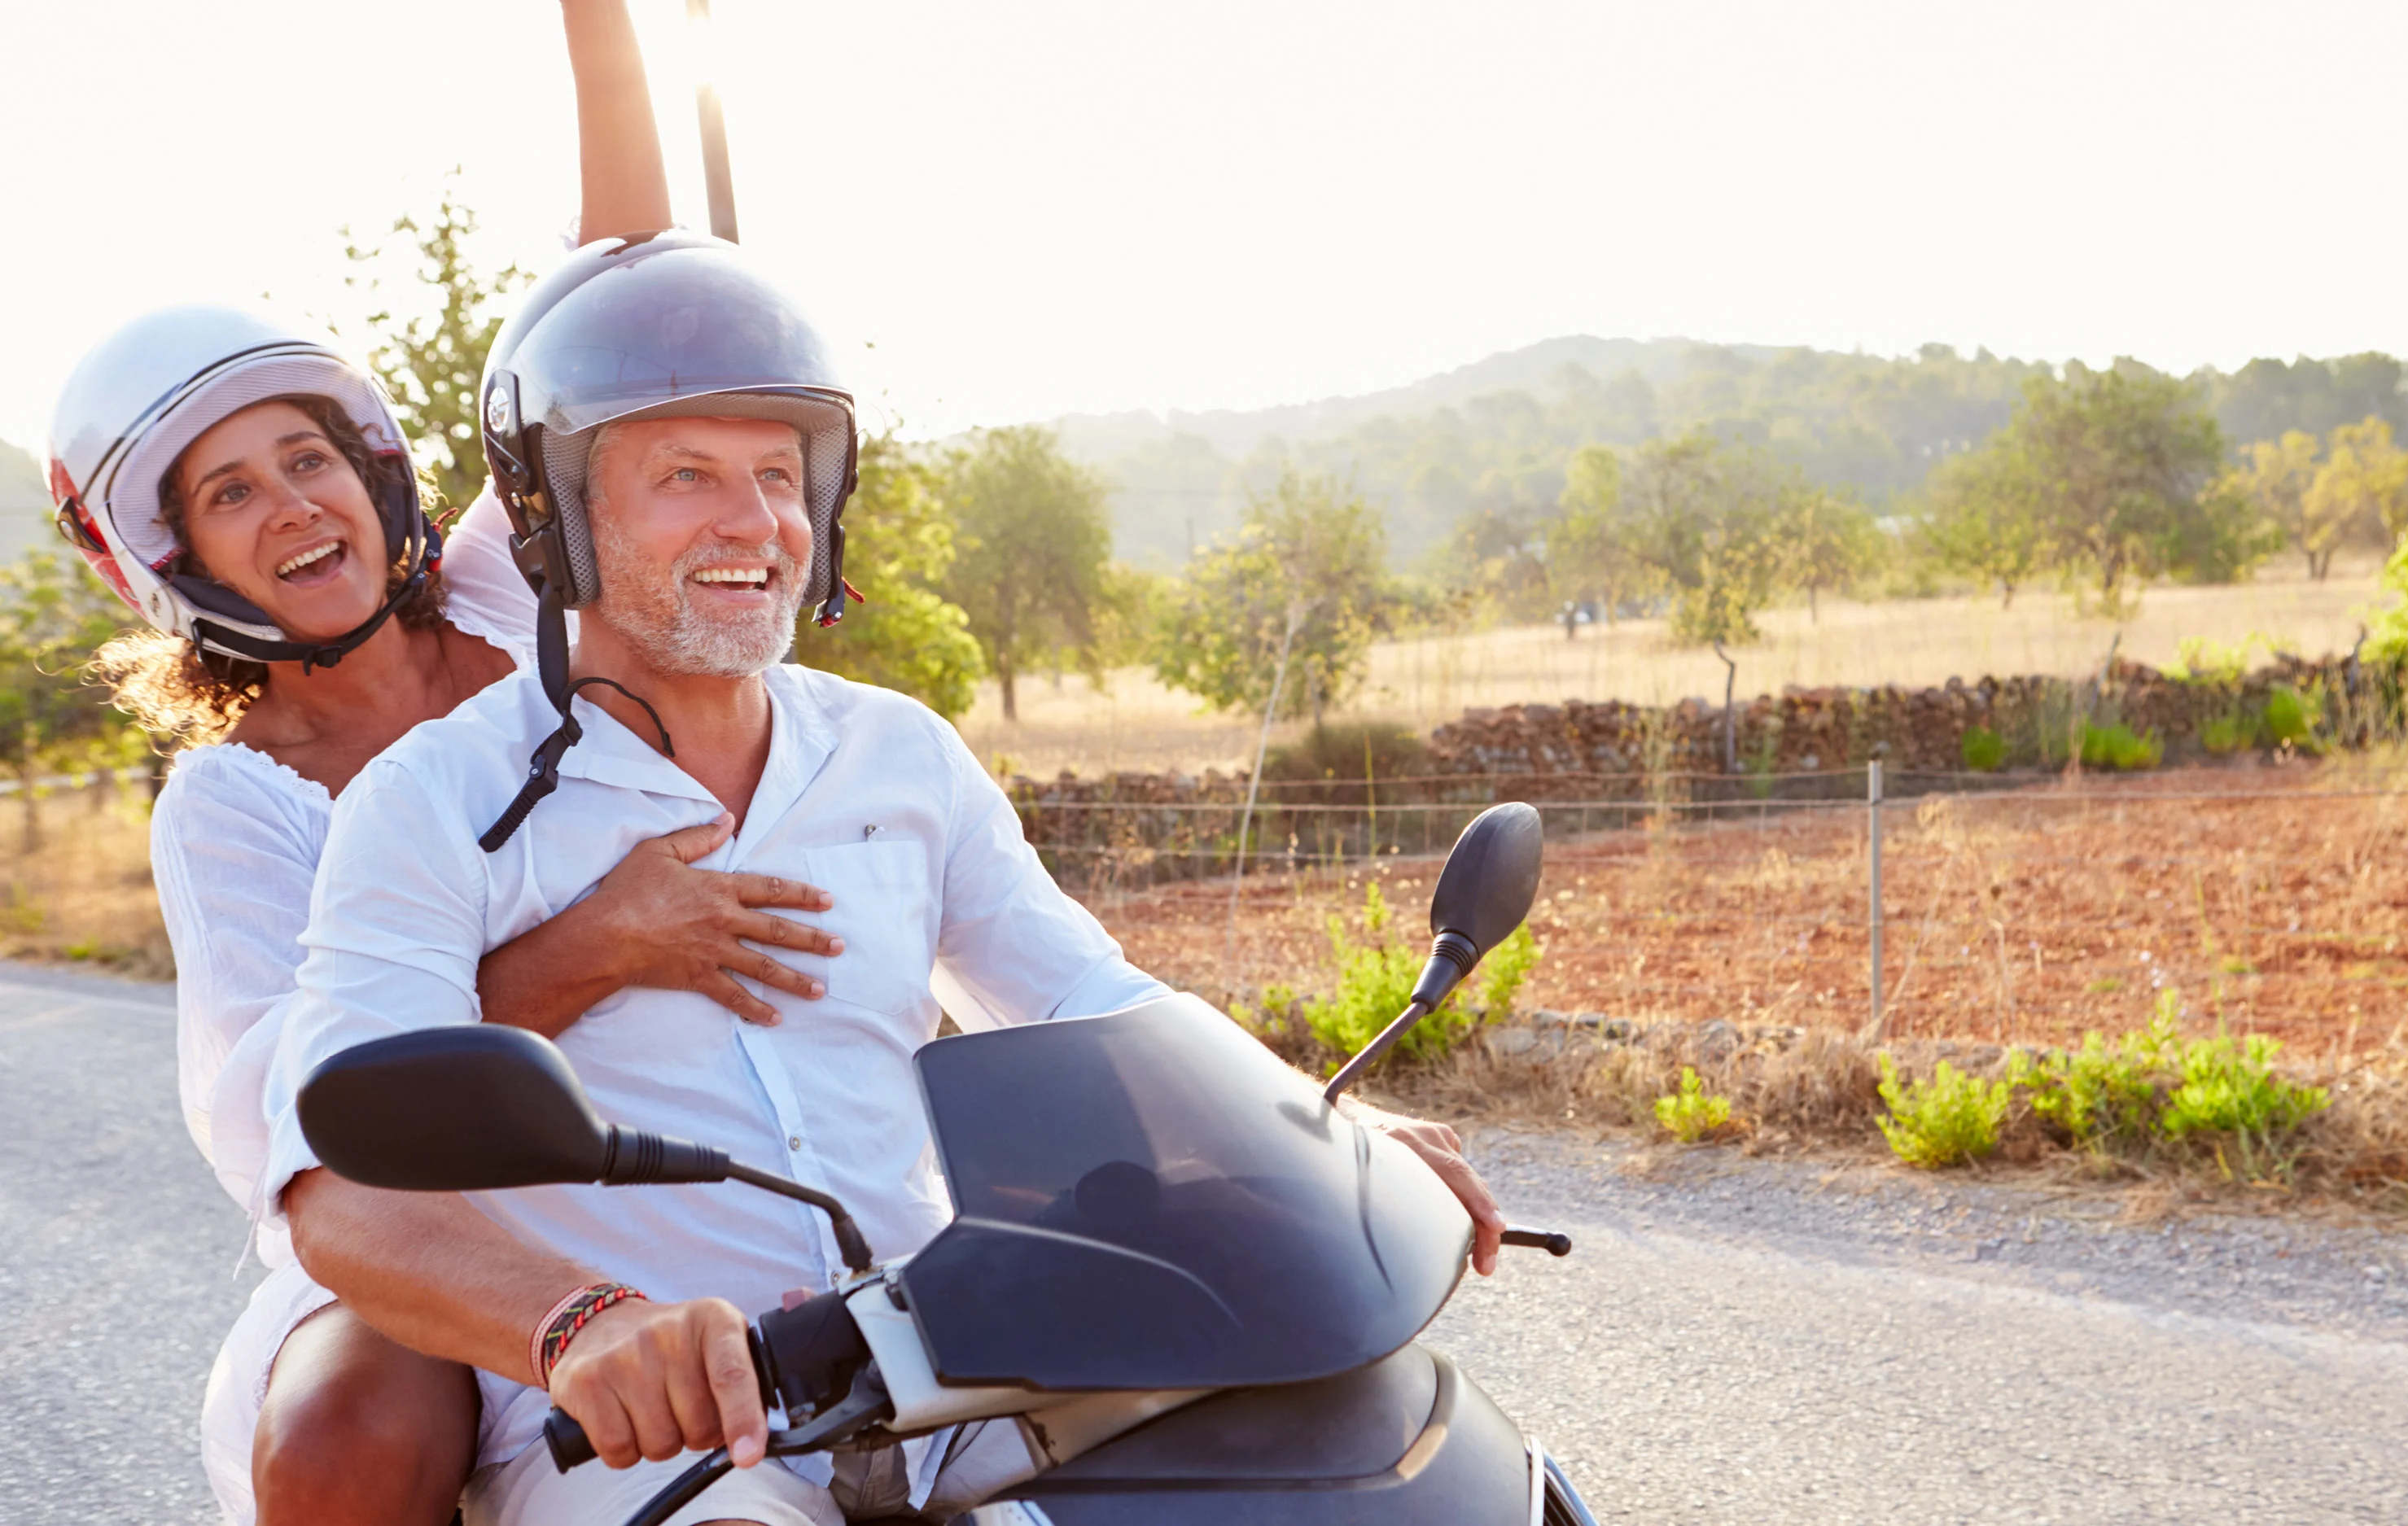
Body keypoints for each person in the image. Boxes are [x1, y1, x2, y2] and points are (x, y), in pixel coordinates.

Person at [257, 230, 1510, 1525]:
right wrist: (579, 1323)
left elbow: (1084, 995)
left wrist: (1315, 1125)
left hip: (947, 1370)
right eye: (687, 475)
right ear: (559, 518)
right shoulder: (433, 802)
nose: (754, 522)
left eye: (780, 475)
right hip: (654, 1442)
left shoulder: (896, 752)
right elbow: (340, 1192)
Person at [43, 7, 844, 1523]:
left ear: (375, 471)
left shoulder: (505, 585)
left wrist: (597, 25)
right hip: (418, 1219)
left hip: (660, 1132)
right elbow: (309, 1114)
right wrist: (594, 947)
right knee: (351, 1427)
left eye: (309, 458)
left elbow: (620, 274)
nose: (293, 507)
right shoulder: (235, 800)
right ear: (177, 557)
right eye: (230, 492)